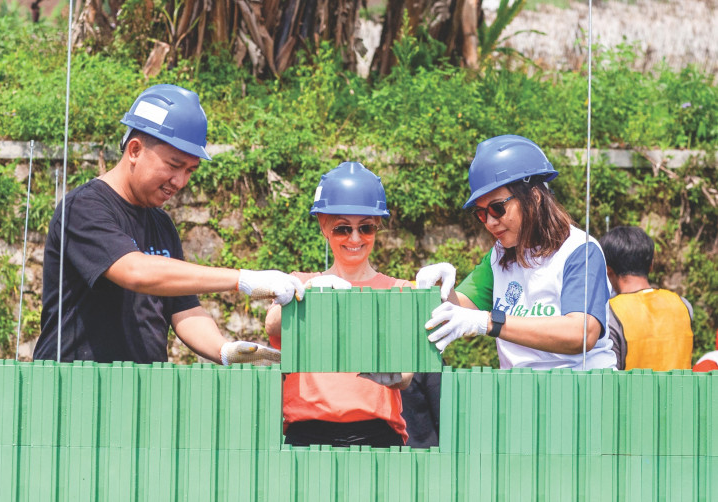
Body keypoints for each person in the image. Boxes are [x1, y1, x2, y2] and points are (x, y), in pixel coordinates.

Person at [35, 84, 304, 365]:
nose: (180, 182)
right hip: (76, 389)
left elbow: (184, 309)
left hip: (144, 389)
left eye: (190, 170)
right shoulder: (84, 208)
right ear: (135, 150)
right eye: (174, 165)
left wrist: (223, 350)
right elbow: (136, 271)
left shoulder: (161, 223)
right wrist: (243, 279)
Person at [417, 135, 616, 370]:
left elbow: (581, 334)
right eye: (481, 213)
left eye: (497, 208)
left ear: (533, 197)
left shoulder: (579, 251)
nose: (490, 222)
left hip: (579, 394)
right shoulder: (500, 256)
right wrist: (442, 288)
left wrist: (489, 322)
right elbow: (460, 310)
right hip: (520, 394)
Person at [265, 161, 413, 447]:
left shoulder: (399, 290)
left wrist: (395, 375)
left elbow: (406, 375)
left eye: (366, 228)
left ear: (377, 227)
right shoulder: (299, 282)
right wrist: (307, 294)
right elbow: (272, 325)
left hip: (377, 432)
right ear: (324, 226)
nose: (355, 238)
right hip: (308, 431)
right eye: (343, 229)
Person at [599, 226, 694, 371]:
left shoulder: (609, 313)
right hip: (681, 393)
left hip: (633, 393)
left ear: (608, 270)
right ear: (651, 265)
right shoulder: (683, 305)